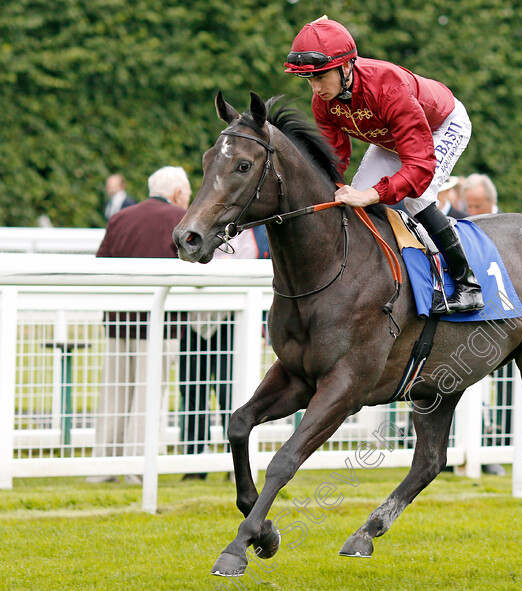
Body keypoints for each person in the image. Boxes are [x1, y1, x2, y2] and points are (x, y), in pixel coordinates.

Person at [284, 17, 482, 315]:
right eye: (309, 79)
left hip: (443, 125)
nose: (315, 88)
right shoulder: (322, 102)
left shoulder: (388, 88)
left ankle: (468, 285)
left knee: (418, 196)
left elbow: (419, 167)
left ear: (346, 67)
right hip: (393, 141)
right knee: (353, 204)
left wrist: (372, 194)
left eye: (321, 76)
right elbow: (334, 159)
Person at [89, 166, 191, 484]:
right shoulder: (180, 219)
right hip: (161, 324)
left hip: (119, 321)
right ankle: (136, 465)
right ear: (176, 193)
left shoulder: (121, 217)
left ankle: (102, 466)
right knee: (149, 395)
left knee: (114, 392)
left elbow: (102, 262)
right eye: (187, 194)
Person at [178, 226, 271, 480]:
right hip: (195, 321)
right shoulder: (198, 225)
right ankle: (194, 464)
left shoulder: (254, 232)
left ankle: (236, 466)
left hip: (234, 323)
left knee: (231, 395)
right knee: (192, 393)